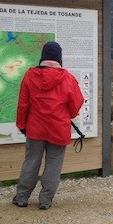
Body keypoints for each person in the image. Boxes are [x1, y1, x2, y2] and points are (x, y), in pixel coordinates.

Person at [12, 41, 84, 210]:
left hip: (35, 128)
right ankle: (45, 200)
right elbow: (75, 106)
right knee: (54, 164)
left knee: (31, 161)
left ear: (43, 57)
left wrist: (22, 125)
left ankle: (22, 197)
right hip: (59, 129)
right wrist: (68, 115)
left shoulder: (30, 76)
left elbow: (23, 105)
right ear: (59, 58)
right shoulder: (67, 78)